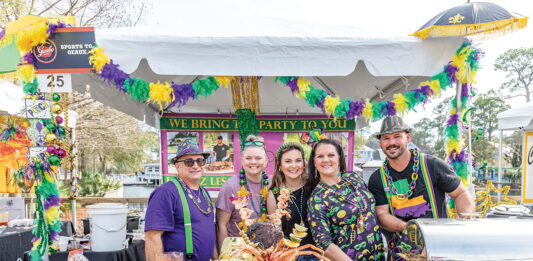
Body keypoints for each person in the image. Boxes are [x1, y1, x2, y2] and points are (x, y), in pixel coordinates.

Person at [367, 116, 475, 260]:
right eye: (386, 138)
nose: (391, 142)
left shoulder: (432, 165)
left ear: (408, 138)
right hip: (400, 253)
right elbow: (381, 215)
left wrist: (465, 222)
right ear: (380, 143)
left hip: (438, 249)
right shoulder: (377, 178)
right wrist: (409, 228)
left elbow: (461, 193)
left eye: (397, 136)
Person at [306, 139, 385, 260]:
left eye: (331, 155)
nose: (326, 160)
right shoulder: (317, 199)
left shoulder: (353, 177)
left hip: (378, 256)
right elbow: (323, 243)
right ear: (314, 162)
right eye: (320, 156)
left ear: (339, 158)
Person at [145, 139, 216, 261]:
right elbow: (152, 237)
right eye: (189, 162)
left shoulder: (204, 193)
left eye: (200, 161)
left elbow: (210, 232)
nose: (196, 166)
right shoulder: (165, 193)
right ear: (177, 166)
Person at [216, 135, 272, 249]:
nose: (253, 162)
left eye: (258, 158)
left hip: (266, 251)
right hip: (238, 251)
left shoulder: (273, 184)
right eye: (248, 158)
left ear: (266, 161)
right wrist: (225, 256)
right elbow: (221, 225)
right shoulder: (230, 186)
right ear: (242, 160)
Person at [267, 142, 317, 261]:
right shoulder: (274, 195)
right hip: (289, 256)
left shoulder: (314, 187)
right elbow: (277, 235)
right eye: (288, 161)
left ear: (304, 163)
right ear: (279, 165)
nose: (293, 165)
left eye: (298, 160)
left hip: (318, 254)